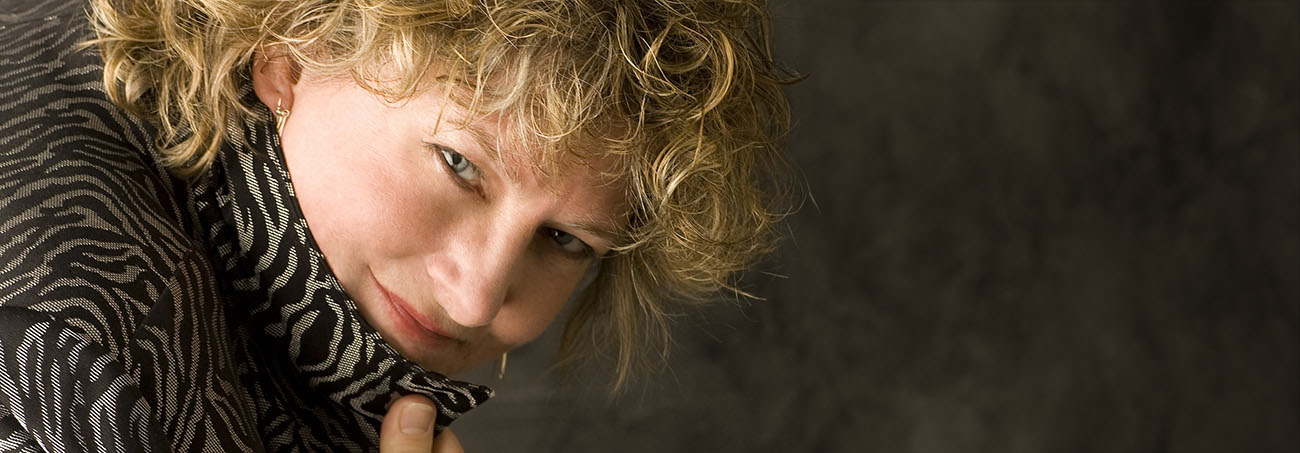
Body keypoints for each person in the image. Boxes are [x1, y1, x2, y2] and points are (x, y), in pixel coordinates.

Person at [0, 0, 791, 450]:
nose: (478, 298)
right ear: (292, 50)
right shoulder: (79, 368)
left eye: (564, 240)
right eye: (459, 164)